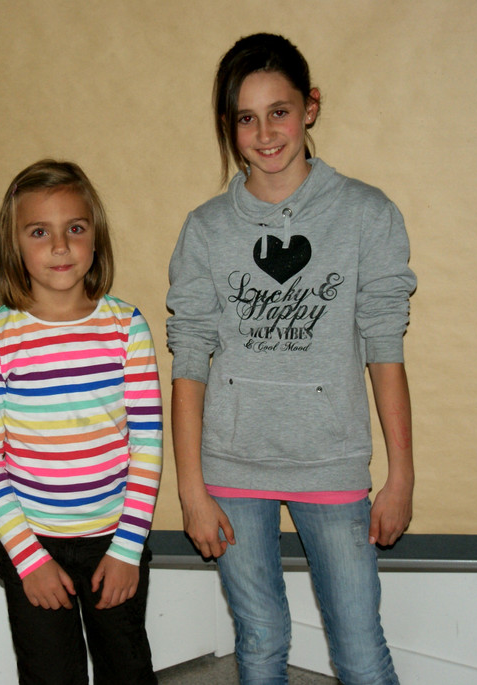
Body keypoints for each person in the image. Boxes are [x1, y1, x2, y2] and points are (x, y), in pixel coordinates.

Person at [166, 33, 415, 685]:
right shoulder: (207, 229)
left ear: (311, 107)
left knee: (359, 648)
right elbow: (189, 360)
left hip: (330, 460)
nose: (264, 133)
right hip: (231, 468)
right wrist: (191, 489)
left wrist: (401, 476)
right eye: (245, 118)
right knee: (260, 642)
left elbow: (385, 348)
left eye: (278, 111)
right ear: (230, 126)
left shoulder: (365, 214)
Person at [0, 160, 162, 685]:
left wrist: (127, 549)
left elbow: (146, 445)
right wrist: (28, 559)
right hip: (33, 543)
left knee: (128, 672)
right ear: (14, 245)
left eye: (75, 228)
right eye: (39, 232)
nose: (60, 246)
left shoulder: (126, 327)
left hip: (115, 541)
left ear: (95, 237)